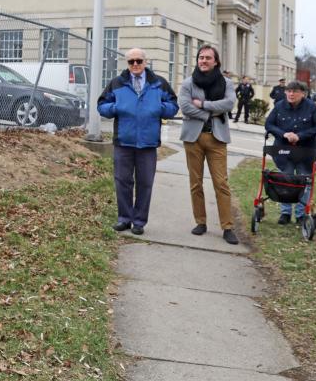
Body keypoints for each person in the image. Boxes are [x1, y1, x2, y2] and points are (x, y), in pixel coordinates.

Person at [97, 48, 178, 235]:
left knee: (145, 182)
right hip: (124, 142)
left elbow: (173, 105)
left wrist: (159, 108)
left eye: (139, 61)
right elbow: (102, 105)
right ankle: (124, 219)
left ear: (145, 62)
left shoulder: (158, 83)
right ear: (127, 63)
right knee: (122, 181)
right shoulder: (117, 83)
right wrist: (116, 107)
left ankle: (139, 221)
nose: (135, 65)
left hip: (148, 143)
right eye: (131, 61)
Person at [179, 45, 239, 245]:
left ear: (216, 62)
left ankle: (227, 227)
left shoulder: (227, 83)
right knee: (195, 183)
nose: (203, 61)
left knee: (221, 183)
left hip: (217, 138)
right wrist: (212, 112)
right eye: (200, 57)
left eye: (207, 58)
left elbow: (229, 104)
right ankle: (201, 222)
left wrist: (203, 105)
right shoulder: (188, 83)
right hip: (193, 138)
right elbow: (185, 107)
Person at [263, 80, 316, 224]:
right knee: (286, 181)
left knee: (304, 181)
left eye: (295, 91)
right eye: (289, 91)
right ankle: (285, 213)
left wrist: (300, 136)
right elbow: (269, 124)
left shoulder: (311, 107)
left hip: (306, 151)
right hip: (284, 151)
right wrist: (284, 134)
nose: (291, 94)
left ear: (303, 94)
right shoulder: (279, 106)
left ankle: (301, 214)